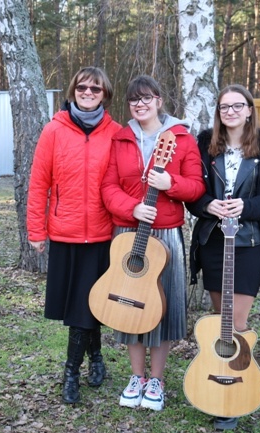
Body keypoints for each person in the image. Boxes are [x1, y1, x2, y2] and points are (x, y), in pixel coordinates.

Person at [185, 84, 260, 430]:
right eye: (224, 107)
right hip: (214, 243)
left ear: (250, 109)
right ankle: (217, 382)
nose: (230, 111)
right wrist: (208, 205)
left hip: (249, 245)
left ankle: (234, 393)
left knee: (235, 324)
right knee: (219, 319)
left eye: (237, 106)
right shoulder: (206, 147)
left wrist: (247, 206)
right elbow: (192, 195)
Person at [101, 75, 205, 411]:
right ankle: (137, 377)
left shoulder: (182, 138)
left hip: (165, 234)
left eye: (146, 98)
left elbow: (196, 187)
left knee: (163, 307)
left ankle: (157, 380)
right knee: (128, 303)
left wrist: (170, 182)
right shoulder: (120, 138)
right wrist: (130, 207)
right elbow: (107, 187)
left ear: (159, 101)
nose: (140, 104)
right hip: (128, 233)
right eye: (134, 99)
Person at [26, 66, 122, 404]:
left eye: (95, 89)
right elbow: (38, 184)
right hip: (65, 234)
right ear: (72, 90)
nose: (88, 93)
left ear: (105, 94)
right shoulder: (54, 131)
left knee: (91, 304)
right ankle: (91, 360)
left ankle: (74, 369)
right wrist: (36, 230)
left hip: (103, 235)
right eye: (82, 87)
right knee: (81, 304)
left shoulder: (117, 133)